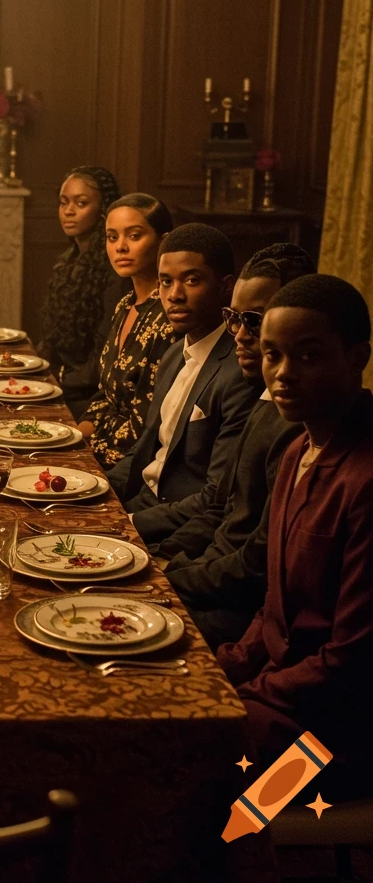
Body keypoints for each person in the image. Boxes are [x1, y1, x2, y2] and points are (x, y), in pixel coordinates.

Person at [218, 274, 373, 798]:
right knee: (153, 713)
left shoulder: (365, 480)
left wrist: (245, 696)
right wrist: (223, 669)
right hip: (283, 699)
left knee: (193, 764)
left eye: (307, 356)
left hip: (339, 735)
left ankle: (237, 856)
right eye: (272, 354)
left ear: (356, 358)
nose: (283, 374)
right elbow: (275, 609)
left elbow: (350, 663)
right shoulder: (297, 451)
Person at [159, 244, 315, 648]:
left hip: (236, 608)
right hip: (209, 571)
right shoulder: (262, 400)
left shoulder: (299, 426)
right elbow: (218, 507)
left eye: (254, 320)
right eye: (233, 318)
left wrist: (173, 578)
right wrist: (168, 558)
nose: (241, 336)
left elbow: (257, 564)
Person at [107, 223, 261, 544]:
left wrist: (126, 523)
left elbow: (214, 498)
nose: (174, 295)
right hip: (140, 502)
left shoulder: (239, 373)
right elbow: (146, 448)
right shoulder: (174, 354)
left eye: (191, 280)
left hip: (176, 528)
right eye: (165, 282)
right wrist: (96, 491)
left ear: (225, 287)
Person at [78, 193, 175, 468]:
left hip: (129, 464)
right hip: (98, 447)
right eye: (112, 237)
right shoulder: (125, 305)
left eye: (134, 236)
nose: (120, 247)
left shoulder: (168, 316)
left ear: (162, 240)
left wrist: (90, 457)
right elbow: (106, 394)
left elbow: (147, 423)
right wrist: (73, 436)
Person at [37, 166, 127, 419]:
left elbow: (103, 356)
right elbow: (52, 339)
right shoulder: (68, 262)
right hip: (61, 384)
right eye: (63, 202)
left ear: (103, 210)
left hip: (89, 398)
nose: (69, 211)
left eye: (81, 202)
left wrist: (57, 382)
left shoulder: (114, 271)